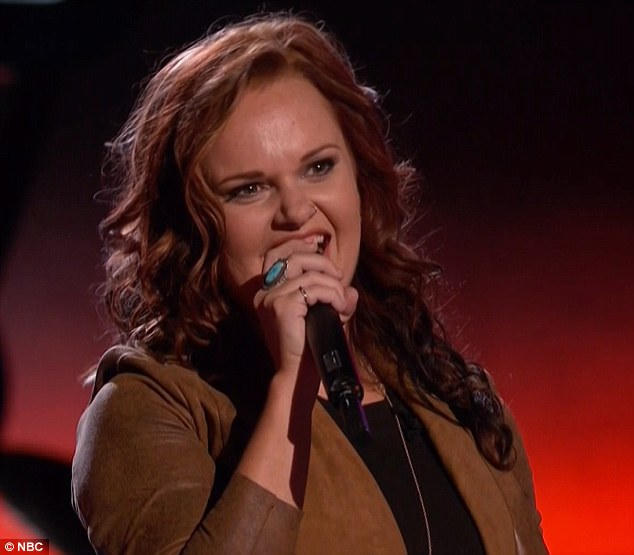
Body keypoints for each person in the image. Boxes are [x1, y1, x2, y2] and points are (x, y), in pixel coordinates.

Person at [71, 13, 548, 555]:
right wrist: (292, 391)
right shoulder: (149, 410)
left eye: (319, 168)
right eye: (249, 189)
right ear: (189, 228)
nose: (297, 211)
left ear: (360, 178)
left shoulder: (449, 393)